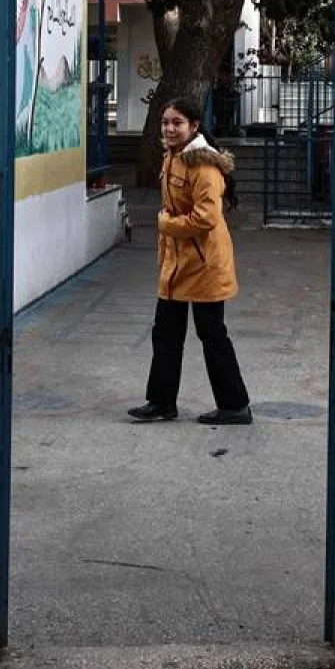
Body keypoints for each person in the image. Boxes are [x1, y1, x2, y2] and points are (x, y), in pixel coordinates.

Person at [127, 97, 253, 426]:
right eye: (166, 122)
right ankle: (161, 402)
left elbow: (206, 218)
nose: (169, 128)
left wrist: (166, 225)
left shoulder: (204, 165)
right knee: (166, 334)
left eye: (177, 123)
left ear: (193, 127)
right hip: (177, 264)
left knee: (212, 334)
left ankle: (235, 406)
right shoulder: (172, 157)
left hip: (205, 265)